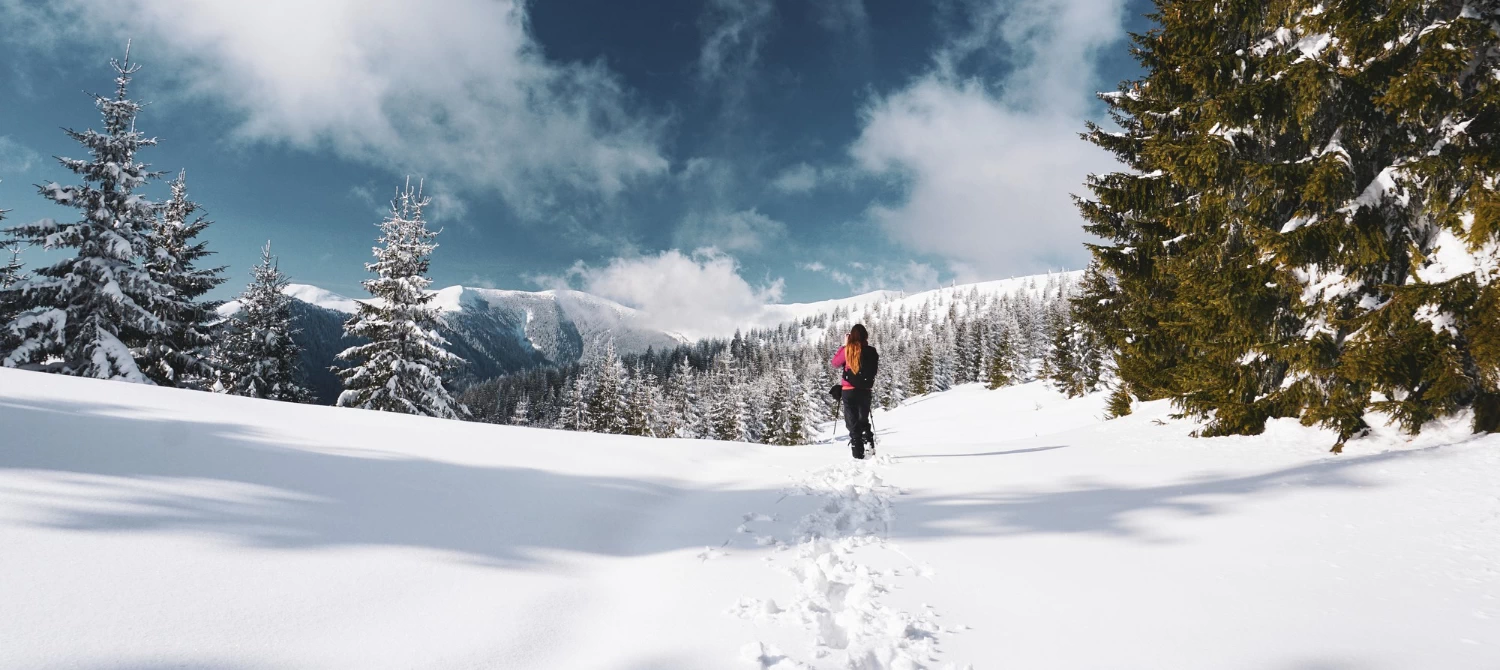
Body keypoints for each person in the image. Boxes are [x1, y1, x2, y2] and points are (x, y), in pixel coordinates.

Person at [831, 323, 879, 459]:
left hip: (849, 390)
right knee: (863, 420)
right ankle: (870, 447)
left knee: (852, 423)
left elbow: (835, 363)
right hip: (865, 390)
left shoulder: (848, 350)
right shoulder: (872, 351)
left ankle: (858, 455)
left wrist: (844, 345)